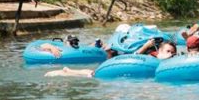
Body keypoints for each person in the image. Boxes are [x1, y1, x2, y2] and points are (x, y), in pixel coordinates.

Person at [46, 39, 178, 78]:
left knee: (90, 73)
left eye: (172, 52)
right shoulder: (154, 58)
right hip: (119, 67)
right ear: (160, 50)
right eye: (168, 51)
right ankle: (66, 72)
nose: (170, 54)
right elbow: (137, 58)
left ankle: (68, 70)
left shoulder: (170, 61)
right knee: (92, 74)